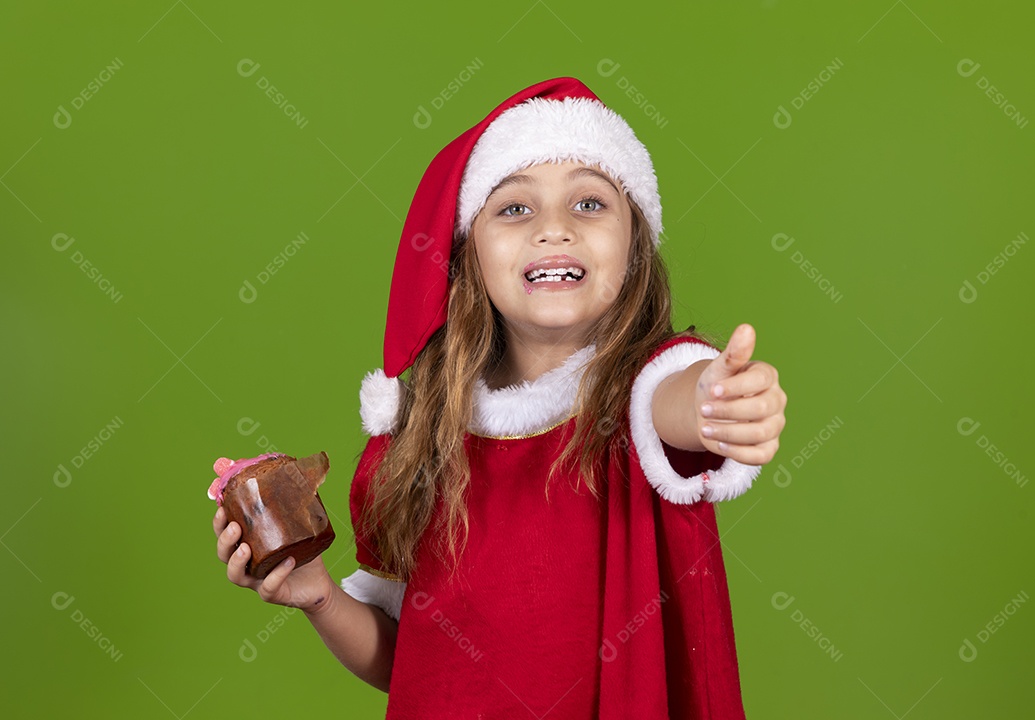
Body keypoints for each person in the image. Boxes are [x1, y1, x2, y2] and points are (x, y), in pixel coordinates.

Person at [213, 76, 787, 718]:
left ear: (635, 245)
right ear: (467, 254)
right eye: (515, 208)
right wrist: (319, 595)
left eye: (590, 203)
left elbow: (677, 402)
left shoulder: (644, 392)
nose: (554, 229)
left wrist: (717, 401)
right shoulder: (417, 437)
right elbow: (413, 663)